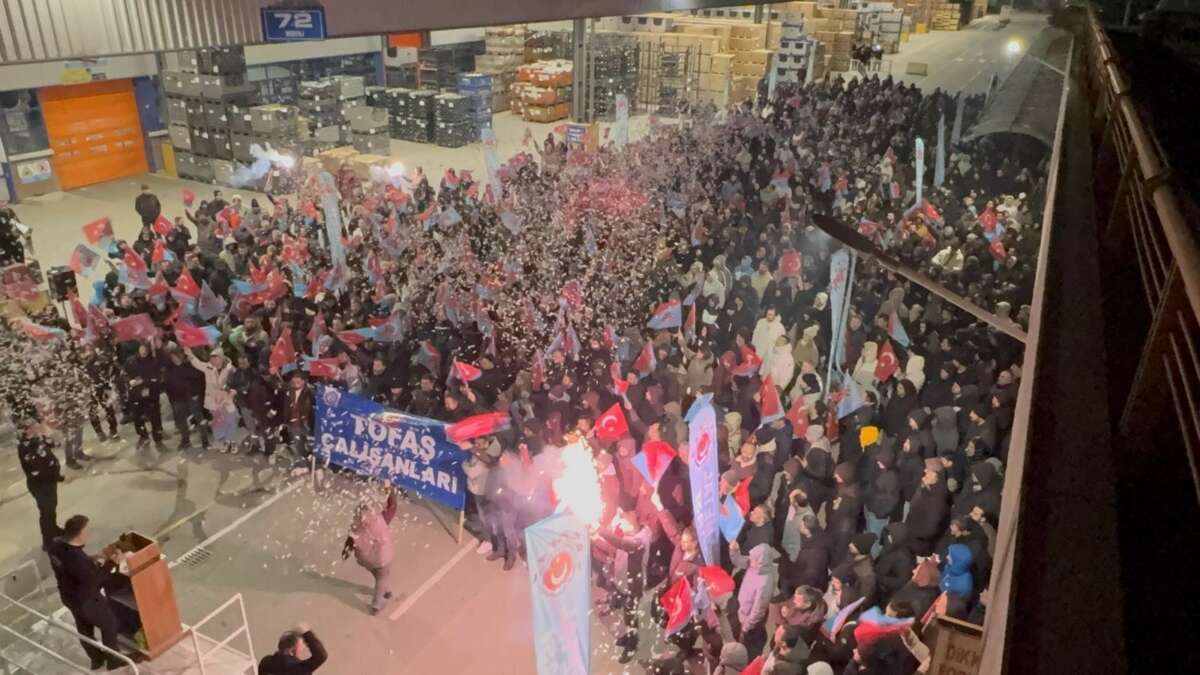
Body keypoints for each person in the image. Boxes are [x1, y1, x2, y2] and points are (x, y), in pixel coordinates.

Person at [46, 515, 124, 670]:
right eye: (86, 530)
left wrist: (91, 559)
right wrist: (112, 563)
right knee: (109, 623)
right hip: (86, 599)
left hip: (68, 596)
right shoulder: (77, 559)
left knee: (84, 628)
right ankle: (113, 660)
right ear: (80, 533)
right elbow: (93, 581)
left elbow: (70, 566)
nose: (89, 533)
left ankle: (96, 659)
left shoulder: (55, 546)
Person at [342, 487, 397, 615]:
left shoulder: (355, 525)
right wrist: (391, 491)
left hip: (364, 558)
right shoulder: (381, 520)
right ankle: (377, 604)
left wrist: (346, 552)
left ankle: (386, 590)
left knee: (379, 574)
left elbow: (350, 541)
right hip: (381, 558)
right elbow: (392, 507)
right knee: (382, 576)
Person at [19, 421, 64, 548]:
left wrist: (53, 436)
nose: (38, 427)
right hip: (40, 485)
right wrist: (60, 477)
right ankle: (47, 541)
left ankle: (54, 530)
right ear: (27, 430)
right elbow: (39, 470)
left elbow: (54, 444)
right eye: (35, 426)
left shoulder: (37, 439)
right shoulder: (25, 447)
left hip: (49, 481)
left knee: (52, 508)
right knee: (46, 512)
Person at [258, 623, 328, 674]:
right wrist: (306, 633)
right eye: (301, 647)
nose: (302, 650)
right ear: (291, 650)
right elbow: (321, 656)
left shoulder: (265, 662)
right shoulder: (297, 668)